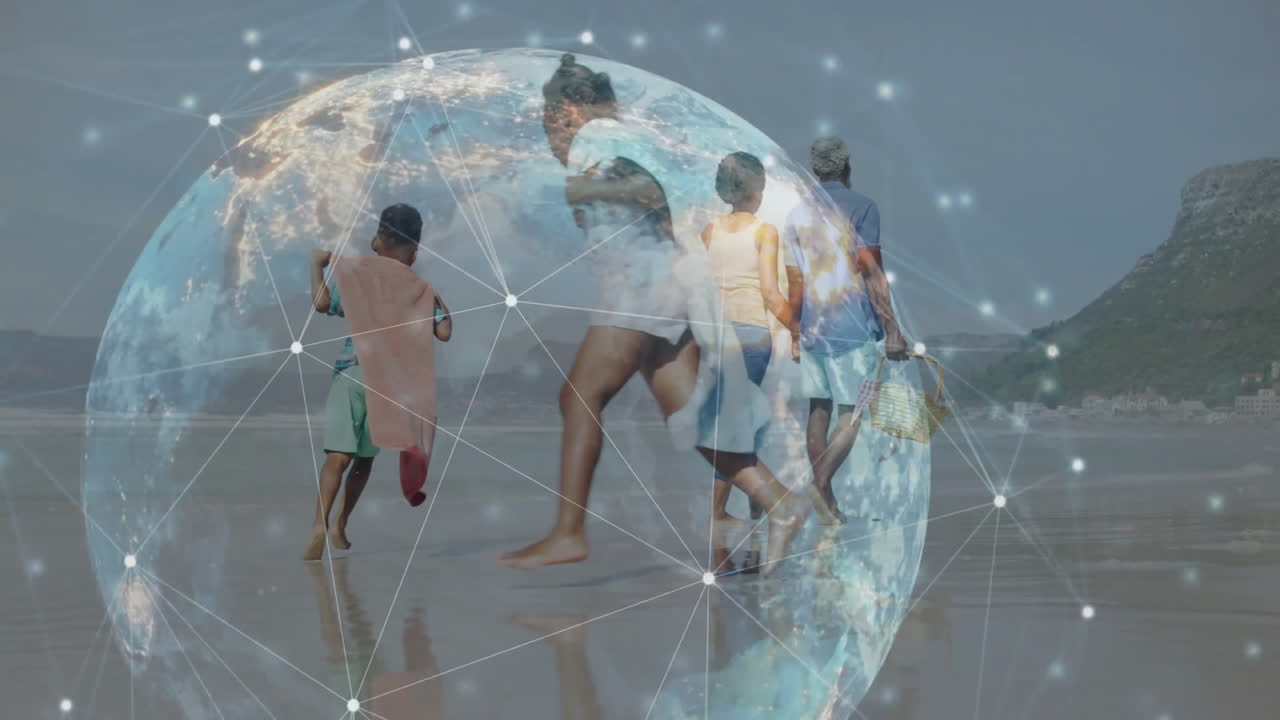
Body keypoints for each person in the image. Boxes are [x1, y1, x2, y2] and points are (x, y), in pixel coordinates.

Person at [499, 54, 811, 576]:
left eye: (550, 119)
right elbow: (651, 203)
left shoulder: (594, 137)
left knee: (578, 396)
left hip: (641, 292)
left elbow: (644, 191)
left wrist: (583, 190)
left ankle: (568, 533)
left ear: (570, 110)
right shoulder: (614, 138)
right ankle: (779, 500)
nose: (550, 133)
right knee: (689, 418)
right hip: (664, 290)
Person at [303, 204, 452, 561]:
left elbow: (322, 304)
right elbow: (444, 332)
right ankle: (342, 522)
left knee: (337, 456)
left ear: (375, 242)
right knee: (364, 461)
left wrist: (315, 266)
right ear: (414, 253)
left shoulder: (358, 276)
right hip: (387, 384)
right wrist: (436, 297)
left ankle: (320, 525)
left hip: (352, 372)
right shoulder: (417, 289)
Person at [784, 137, 907, 523]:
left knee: (817, 409)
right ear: (846, 166)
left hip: (812, 327)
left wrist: (793, 331)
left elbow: (795, 280)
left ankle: (829, 504)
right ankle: (818, 485)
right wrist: (893, 330)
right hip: (851, 327)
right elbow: (872, 272)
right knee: (851, 414)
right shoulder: (863, 207)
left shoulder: (796, 214)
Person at [702, 152, 804, 570]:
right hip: (749, 339)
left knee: (731, 437)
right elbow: (769, 293)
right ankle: (755, 544)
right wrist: (798, 328)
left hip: (715, 340)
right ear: (756, 190)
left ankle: (728, 548)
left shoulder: (709, 231)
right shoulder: (765, 231)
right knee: (745, 439)